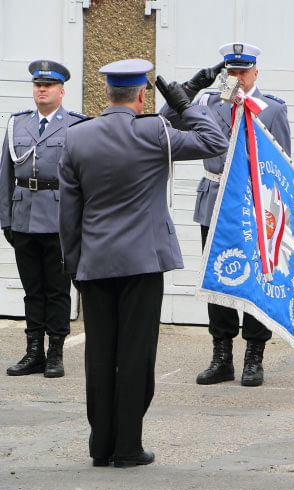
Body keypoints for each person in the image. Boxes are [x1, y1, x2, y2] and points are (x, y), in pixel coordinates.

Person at [58, 59, 228, 467]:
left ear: (105, 94)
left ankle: (101, 447)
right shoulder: (155, 132)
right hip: (142, 264)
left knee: (99, 355)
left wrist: (75, 267)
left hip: (95, 264)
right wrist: (186, 103)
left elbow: (68, 213)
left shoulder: (77, 137)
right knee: (135, 355)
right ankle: (128, 447)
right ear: (141, 95)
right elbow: (214, 142)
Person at [161, 42, 291, 387]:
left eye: (242, 72)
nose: (235, 78)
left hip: (252, 203)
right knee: (218, 278)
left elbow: (281, 165)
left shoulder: (272, 110)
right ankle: (222, 356)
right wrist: (191, 87)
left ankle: (254, 356)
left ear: (255, 73)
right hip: (215, 199)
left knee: (254, 281)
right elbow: (165, 120)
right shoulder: (207, 101)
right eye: (230, 72)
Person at [0, 60, 86, 378]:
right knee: (32, 289)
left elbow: (84, 179)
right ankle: (33, 351)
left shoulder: (76, 126)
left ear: (61, 91)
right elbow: (5, 174)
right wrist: (6, 219)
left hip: (59, 220)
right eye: (38, 85)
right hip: (24, 217)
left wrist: (81, 223)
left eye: (48, 85)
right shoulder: (17, 124)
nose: (41, 89)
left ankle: (55, 353)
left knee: (57, 291)